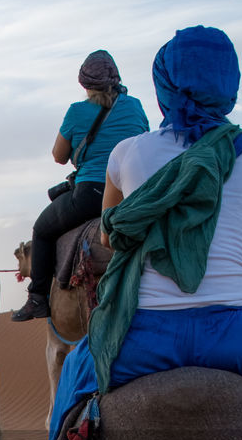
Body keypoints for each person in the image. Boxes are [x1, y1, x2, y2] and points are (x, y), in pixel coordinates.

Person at [35, 24, 242, 440]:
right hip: (238, 334)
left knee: (73, 387)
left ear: (164, 84)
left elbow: (109, 240)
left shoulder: (128, 156)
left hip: (142, 339)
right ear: (229, 85)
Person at [13, 51, 149, 321]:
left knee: (42, 229)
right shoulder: (134, 106)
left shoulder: (77, 111)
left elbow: (59, 156)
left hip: (92, 193)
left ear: (85, 85)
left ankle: (38, 297)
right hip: (133, 194)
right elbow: (144, 141)